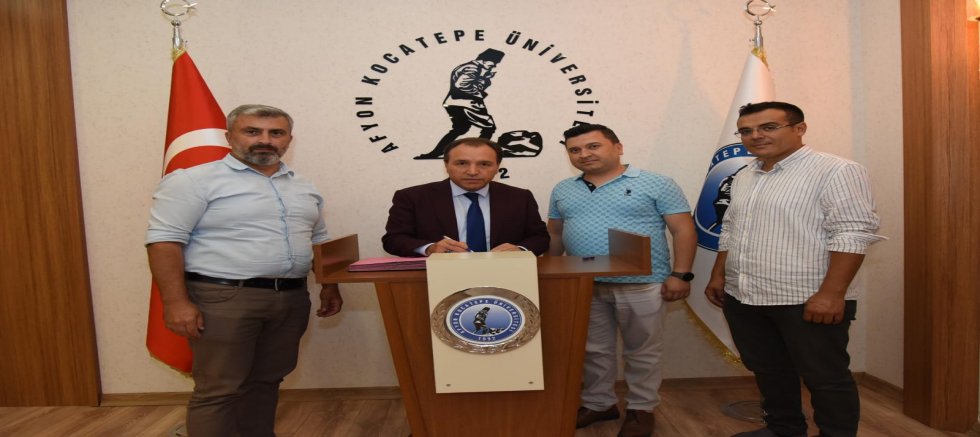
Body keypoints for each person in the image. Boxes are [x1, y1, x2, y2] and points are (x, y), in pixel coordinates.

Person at [146, 104, 343, 437]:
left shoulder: (303, 186)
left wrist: (329, 284)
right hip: (223, 299)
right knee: (219, 389)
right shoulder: (193, 181)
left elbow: (318, 240)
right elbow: (164, 242)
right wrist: (176, 303)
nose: (264, 140)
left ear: (289, 139)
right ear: (229, 136)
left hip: (290, 299)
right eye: (252, 131)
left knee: (266, 382)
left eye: (275, 133)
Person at [704, 102, 885, 437]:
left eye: (768, 127)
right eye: (746, 130)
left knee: (825, 376)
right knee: (768, 369)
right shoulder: (745, 175)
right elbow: (730, 228)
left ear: (799, 128)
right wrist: (719, 274)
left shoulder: (836, 170)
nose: (755, 136)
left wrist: (832, 294)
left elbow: (853, 233)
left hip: (807, 298)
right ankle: (784, 429)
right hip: (745, 294)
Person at [548, 123, 697, 437]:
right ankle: (599, 403)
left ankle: (641, 409)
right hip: (584, 284)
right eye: (575, 150)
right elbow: (555, 235)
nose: (583, 154)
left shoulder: (656, 183)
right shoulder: (563, 189)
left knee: (642, 351)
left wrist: (680, 274)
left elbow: (683, 229)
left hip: (643, 283)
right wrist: (551, 276)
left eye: (593, 146)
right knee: (593, 350)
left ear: (618, 147)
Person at [383, 137, 550, 256]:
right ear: (446, 165)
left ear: (497, 167)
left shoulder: (520, 197)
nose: (472, 171)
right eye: (462, 163)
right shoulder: (412, 197)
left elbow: (540, 237)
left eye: (484, 164)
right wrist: (430, 248)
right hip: (436, 277)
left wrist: (519, 250)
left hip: (506, 277)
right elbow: (393, 240)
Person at [415, 49, 505, 160]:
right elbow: (463, 85)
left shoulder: (472, 67)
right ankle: (478, 154)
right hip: (466, 104)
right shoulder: (473, 68)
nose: (494, 65)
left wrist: (485, 78)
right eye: (493, 63)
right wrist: (481, 92)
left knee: (460, 129)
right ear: (484, 60)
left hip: (454, 103)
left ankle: (435, 153)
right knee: (489, 127)